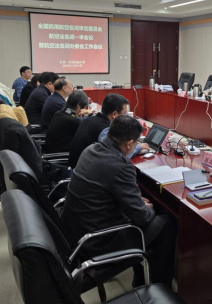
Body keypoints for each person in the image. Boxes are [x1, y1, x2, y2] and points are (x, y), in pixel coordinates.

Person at [62, 115, 177, 288]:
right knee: (166, 222)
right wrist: (146, 207)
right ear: (129, 144)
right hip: (99, 242)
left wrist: (136, 201)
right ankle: (160, 289)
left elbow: (106, 191)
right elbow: (143, 217)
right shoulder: (121, 166)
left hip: (77, 232)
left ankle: (141, 280)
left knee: (148, 214)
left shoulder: (90, 149)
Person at [68, 93, 150, 167]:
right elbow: (115, 158)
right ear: (114, 114)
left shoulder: (89, 119)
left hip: (78, 168)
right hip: (85, 171)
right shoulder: (105, 130)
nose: (126, 117)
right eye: (124, 113)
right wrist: (138, 147)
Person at [44, 90, 92, 154]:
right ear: (78, 106)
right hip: (62, 155)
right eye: (85, 107)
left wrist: (79, 116)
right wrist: (90, 114)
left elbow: (73, 116)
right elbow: (89, 132)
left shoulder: (59, 113)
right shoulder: (74, 121)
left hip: (50, 152)